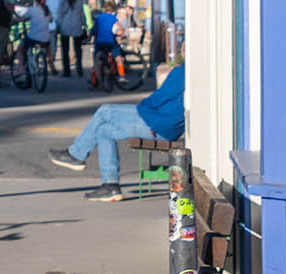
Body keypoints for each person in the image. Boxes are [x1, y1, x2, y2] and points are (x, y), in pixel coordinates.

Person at [51, 64, 186, 200]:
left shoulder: (183, 71)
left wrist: (141, 108)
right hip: (167, 127)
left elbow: (160, 97)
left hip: (157, 123)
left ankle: (76, 155)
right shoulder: (195, 71)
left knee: (105, 111)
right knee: (104, 131)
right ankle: (110, 186)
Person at [23, 0, 56, 79]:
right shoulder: (47, 10)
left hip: (33, 37)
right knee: (48, 48)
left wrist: (16, 20)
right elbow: (51, 20)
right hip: (45, 38)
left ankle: (20, 67)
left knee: (21, 48)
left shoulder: (32, 9)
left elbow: (23, 18)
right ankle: (51, 64)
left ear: (36, 1)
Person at [57, 0, 89, 77]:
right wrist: (85, 24)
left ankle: (67, 70)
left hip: (65, 26)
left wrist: (58, 25)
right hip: (77, 26)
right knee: (78, 49)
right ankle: (79, 68)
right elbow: (82, 14)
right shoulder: (79, 1)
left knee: (65, 49)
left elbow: (60, 15)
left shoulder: (63, 1)